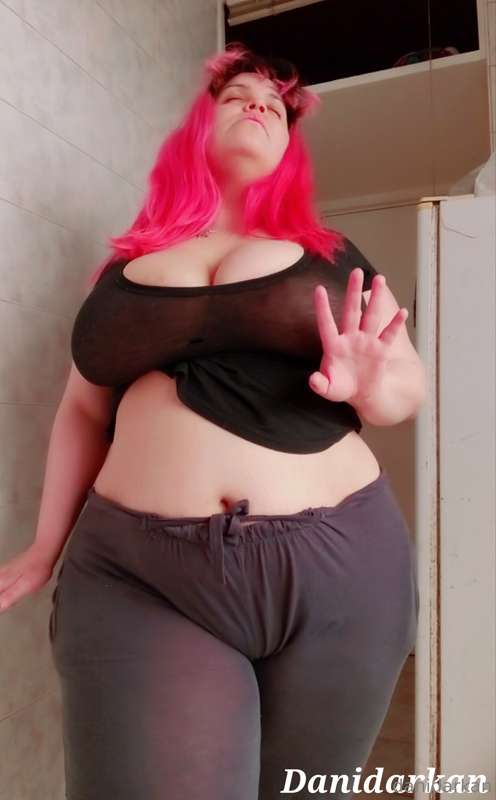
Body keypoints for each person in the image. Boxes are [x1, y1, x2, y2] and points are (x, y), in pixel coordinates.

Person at [0, 43, 425, 800]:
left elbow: (404, 389)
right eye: (237, 95)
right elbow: (83, 409)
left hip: (340, 569)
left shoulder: (332, 255)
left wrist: (370, 389)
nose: (258, 104)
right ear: (198, 128)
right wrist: (43, 546)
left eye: (276, 107)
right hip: (138, 574)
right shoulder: (121, 271)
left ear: (290, 149)